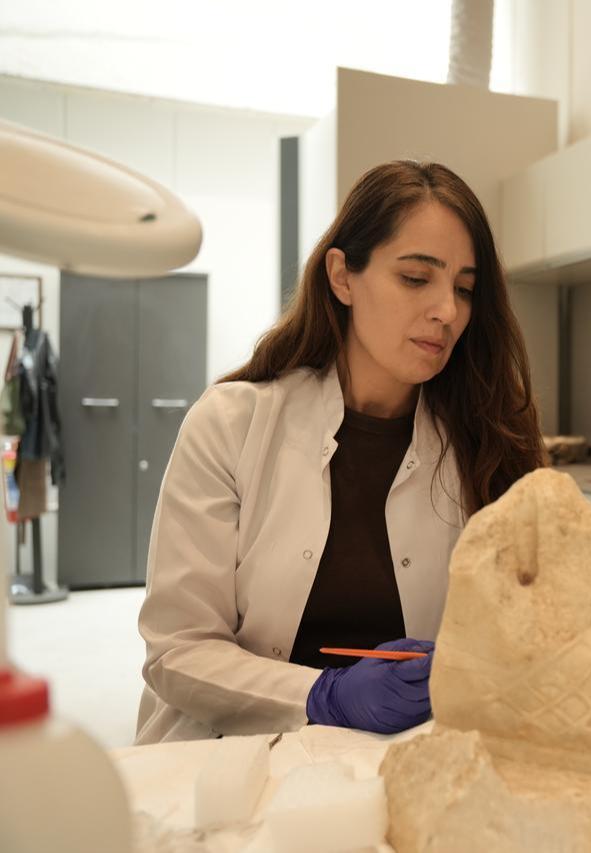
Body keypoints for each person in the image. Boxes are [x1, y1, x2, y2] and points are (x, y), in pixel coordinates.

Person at [135, 160, 544, 744]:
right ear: (343, 276)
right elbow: (177, 651)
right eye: (415, 278)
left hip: (399, 762)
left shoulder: (483, 446)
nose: (447, 311)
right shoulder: (231, 424)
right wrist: (321, 696)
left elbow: (521, 638)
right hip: (229, 758)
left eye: (464, 289)